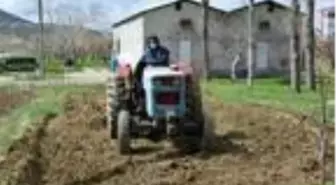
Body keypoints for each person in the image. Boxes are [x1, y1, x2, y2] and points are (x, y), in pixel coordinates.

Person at [134, 35, 170, 112]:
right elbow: (141, 64)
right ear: (149, 43)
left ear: (158, 42)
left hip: (162, 75)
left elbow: (163, 60)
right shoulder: (147, 52)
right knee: (142, 90)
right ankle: (142, 106)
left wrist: (152, 64)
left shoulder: (163, 51)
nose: (153, 44)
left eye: (154, 42)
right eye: (152, 42)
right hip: (149, 76)